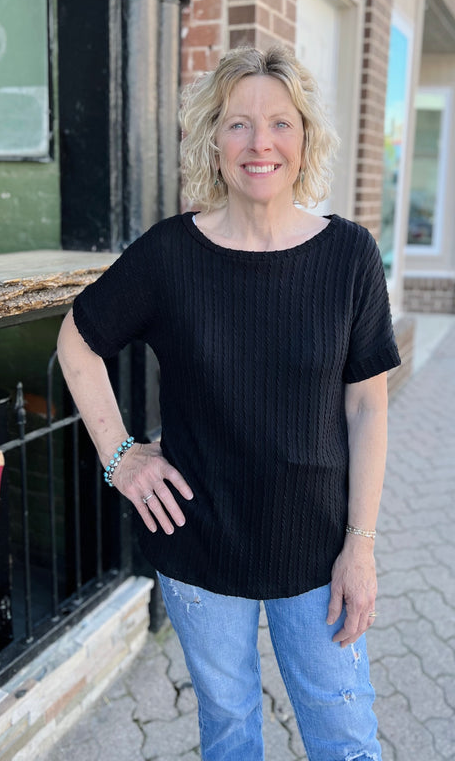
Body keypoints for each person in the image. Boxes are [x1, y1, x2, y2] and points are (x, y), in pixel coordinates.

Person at [57, 45, 401, 761]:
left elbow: (368, 409)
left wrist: (360, 548)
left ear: (305, 137)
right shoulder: (168, 257)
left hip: (318, 557)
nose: (260, 143)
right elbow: (77, 340)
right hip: (199, 551)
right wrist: (121, 456)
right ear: (213, 137)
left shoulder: (350, 257)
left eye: (280, 122)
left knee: (344, 739)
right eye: (238, 124)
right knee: (231, 733)